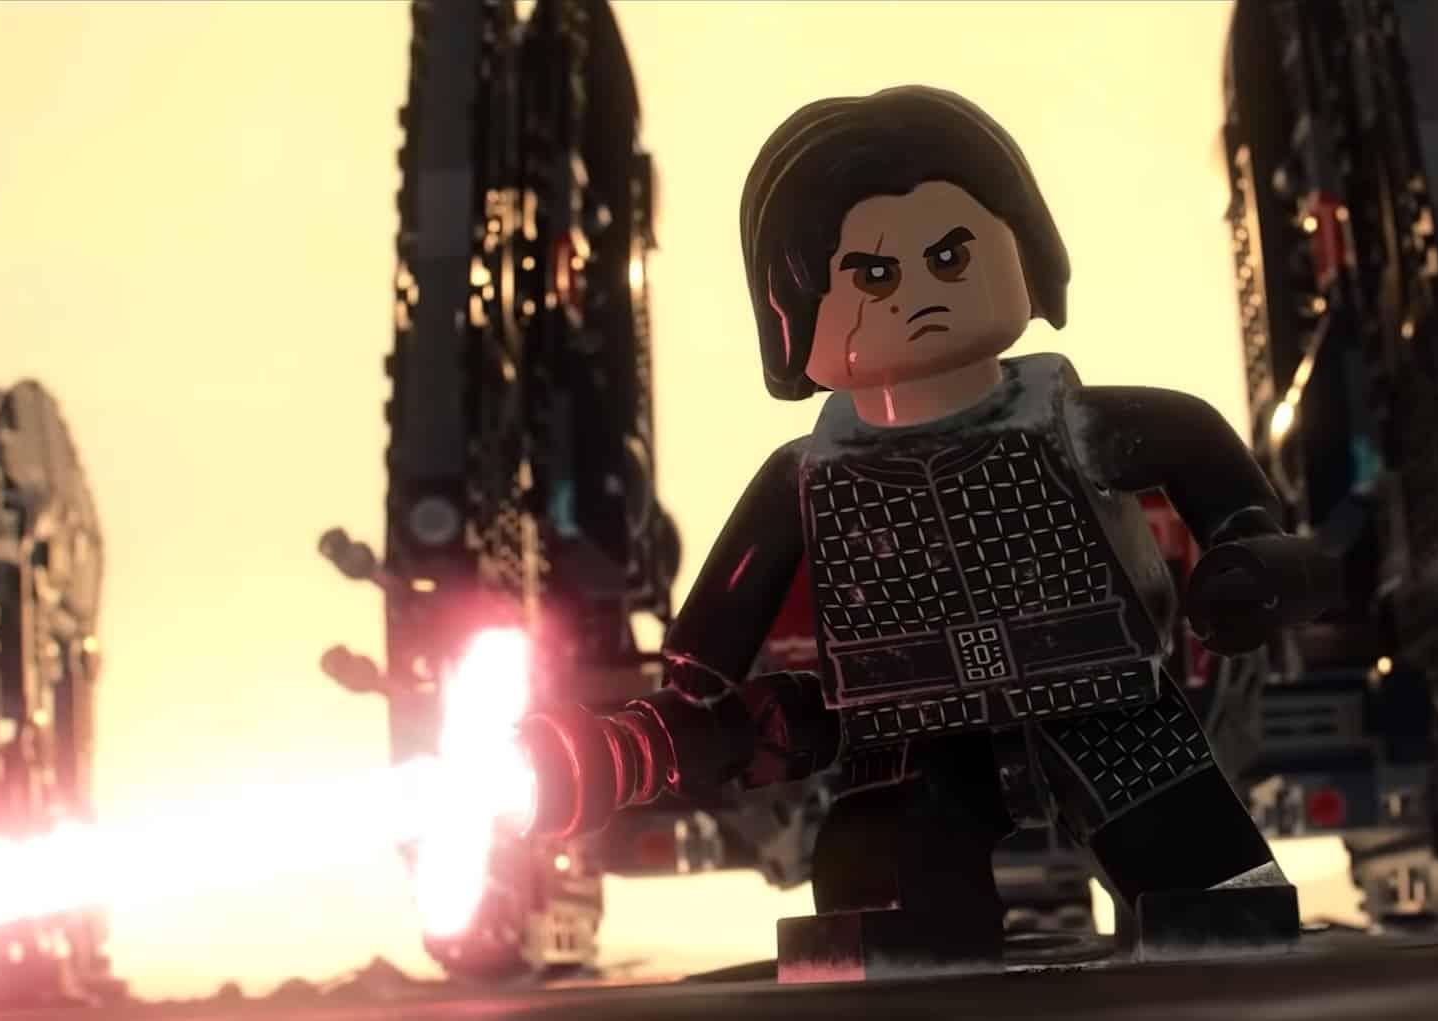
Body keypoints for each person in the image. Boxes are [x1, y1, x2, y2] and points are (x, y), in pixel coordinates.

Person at [521, 85, 1338, 981]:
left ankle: (1219, 939)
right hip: (909, 728)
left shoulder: (1073, 421)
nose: (916, 295)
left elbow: (1206, 462)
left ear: (1025, 249)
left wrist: (1250, 553)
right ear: (792, 310)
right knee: (883, 914)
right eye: (871, 276)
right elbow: (719, 623)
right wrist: (684, 702)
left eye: (951, 255)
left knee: (1204, 886)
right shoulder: (807, 475)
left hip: (1103, 695)